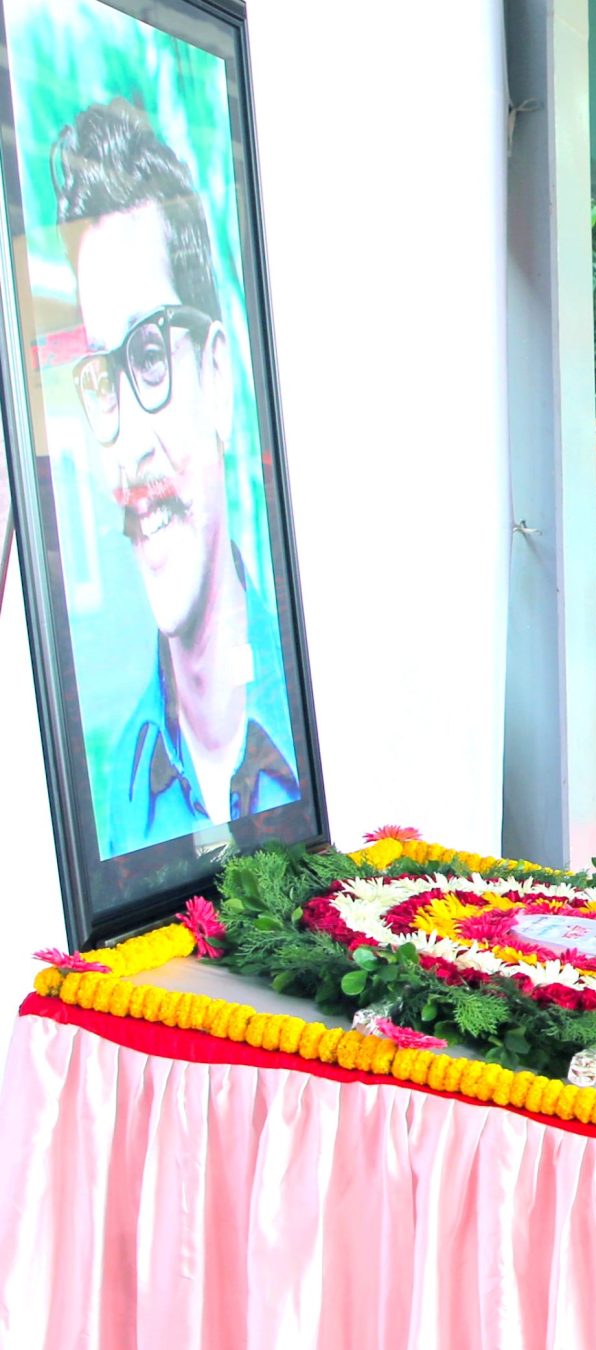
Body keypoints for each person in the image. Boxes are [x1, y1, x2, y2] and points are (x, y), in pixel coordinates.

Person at [56, 96, 300, 857]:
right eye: (101, 380)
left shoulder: (306, 723)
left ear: (218, 376)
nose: (127, 446)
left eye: (151, 356)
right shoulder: (113, 796)